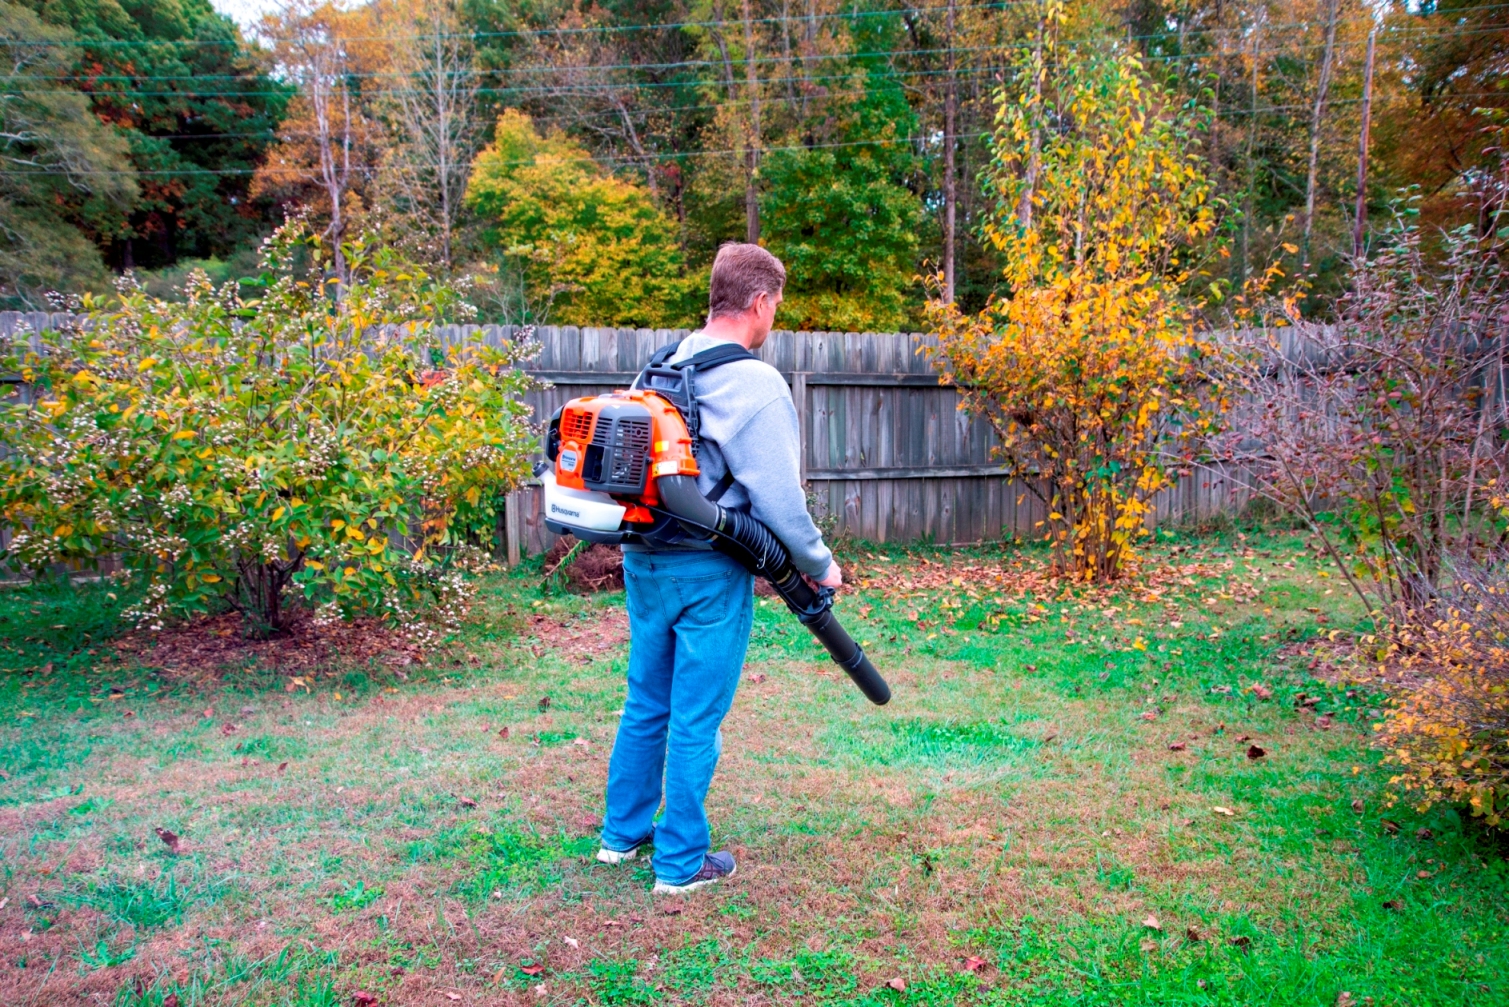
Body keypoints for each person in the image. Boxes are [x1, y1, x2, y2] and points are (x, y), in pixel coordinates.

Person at [595, 243, 843, 894]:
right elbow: (781, 504)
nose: (773, 318)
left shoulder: (660, 366)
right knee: (695, 715)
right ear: (760, 302)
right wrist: (820, 564)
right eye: (776, 306)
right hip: (706, 570)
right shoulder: (754, 382)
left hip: (642, 559)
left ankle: (620, 835)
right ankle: (680, 863)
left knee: (646, 698)